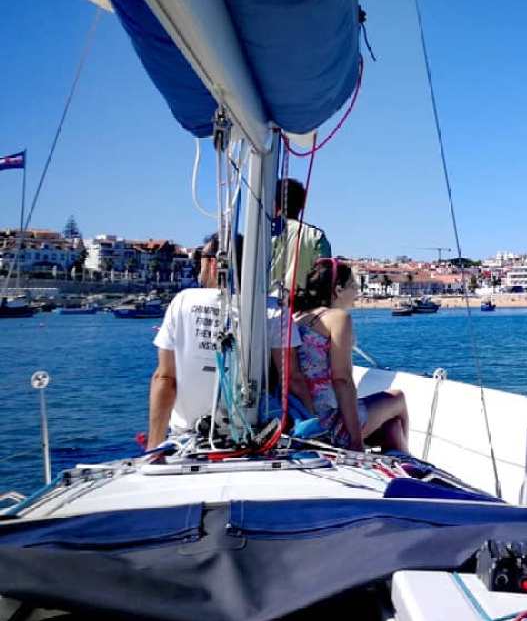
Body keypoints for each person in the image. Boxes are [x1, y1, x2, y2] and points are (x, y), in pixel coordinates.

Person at [147, 234, 309, 447]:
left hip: (188, 439)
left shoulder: (184, 301)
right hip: (258, 434)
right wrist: (316, 422)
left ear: (214, 264)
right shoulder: (274, 309)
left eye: (200, 258)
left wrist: (153, 447)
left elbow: (165, 378)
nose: (198, 265)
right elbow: (291, 378)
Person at [292, 258, 408, 452]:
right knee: (398, 398)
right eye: (353, 286)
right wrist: (355, 441)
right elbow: (342, 380)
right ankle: (410, 464)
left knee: (392, 426)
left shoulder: (298, 317)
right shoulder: (337, 318)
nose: (357, 292)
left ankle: (402, 459)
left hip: (303, 417)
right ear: (338, 290)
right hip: (329, 425)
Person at [271, 178, 332, 295]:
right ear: (303, 204)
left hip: (258, 306)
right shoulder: (316, 236)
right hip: (298, 307)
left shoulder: (260, 235)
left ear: (274, 203)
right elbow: (324, 278)